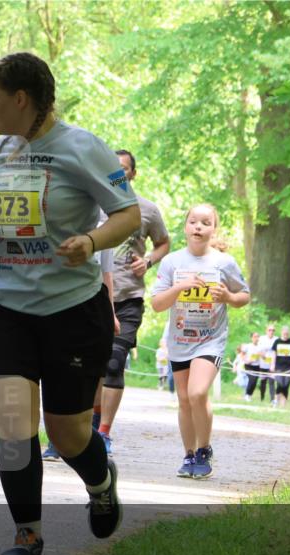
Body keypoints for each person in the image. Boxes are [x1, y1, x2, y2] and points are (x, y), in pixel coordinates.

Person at [0, 52, 139, 555]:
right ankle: (28, 535)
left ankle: (101, 484)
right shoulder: (1, 151)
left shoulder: (81, 148)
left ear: (21, 100)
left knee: (68, 433)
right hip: (6, 306)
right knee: (14, 425)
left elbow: (127, 214)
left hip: (71, 312)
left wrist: (91, 239)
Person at [150, 203, 250, 479]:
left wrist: (228, 297)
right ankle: (189, 454)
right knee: (183, 400)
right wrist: (180, 287)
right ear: (185, 226)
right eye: (193, 221)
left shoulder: (223, 262)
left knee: (197, 393)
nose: (198, 227)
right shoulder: (172, 262)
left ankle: (204, 449)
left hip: (210, 340)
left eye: (205, 223)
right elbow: (157, 304)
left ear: (213, 229)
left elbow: (244, 295)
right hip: (180, 339)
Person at [96, 149, 170, 450]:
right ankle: (81, 429)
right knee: (90, 367)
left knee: (114, 364)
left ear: (133, 174)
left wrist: (149, 260)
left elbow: (164, 243)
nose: (118, 173)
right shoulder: (91, 206)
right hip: (92, 296)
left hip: (128, 297)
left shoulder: (147, 210)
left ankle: (103, 432)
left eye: (124, 169)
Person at [43, 247, 117, 461]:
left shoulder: (107, 227)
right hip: (48, 307)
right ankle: (55, 440)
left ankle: (90, 431)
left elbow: (106, 274)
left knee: (85, 382)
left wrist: (110, 313)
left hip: (88, 310)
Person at [270, 325, 290, 409]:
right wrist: (272, 365)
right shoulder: (277, 342)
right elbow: (274, 354)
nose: (286, 335)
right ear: (281, 333)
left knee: (286, 385)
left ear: (289, 333)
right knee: (280, 384)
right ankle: (276, 400)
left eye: (287, 333)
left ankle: (283, 404)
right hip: (279, 367)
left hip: (289, 367)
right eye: (284, 333)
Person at [257, 324, 277, 403]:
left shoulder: (276, 339)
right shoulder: (262, 339)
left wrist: (273, 363)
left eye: (273, 330)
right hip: (263, 364)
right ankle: (262, 398)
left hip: (272, 365)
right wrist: (264, 357)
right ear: (266, 331)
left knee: (272, 382)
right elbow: (258, 351)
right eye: (270, 330)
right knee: (263, 382)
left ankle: (272, 399)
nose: (271, 332)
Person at [242, 331, 262, 401]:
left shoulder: (260, 347)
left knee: (255, 381)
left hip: (257, 366)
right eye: (255, 337)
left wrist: (261, 355)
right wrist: (246, 360)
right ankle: (247, 395)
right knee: (252, 379)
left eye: (257, 337)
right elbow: (242, 354)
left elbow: (262, 356)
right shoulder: (247, 346)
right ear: (251, 338)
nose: (256, 338)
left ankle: (249, 395)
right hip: (248, 366)